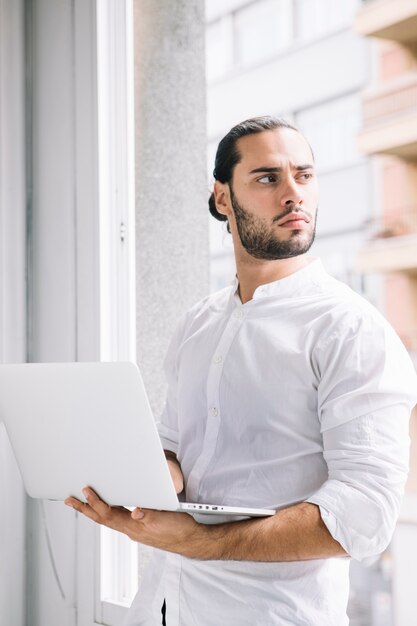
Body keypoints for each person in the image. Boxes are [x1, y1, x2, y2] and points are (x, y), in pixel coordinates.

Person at [65, 116, 417, 625]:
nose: (294, 194)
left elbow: (364, 515)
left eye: (305, 175)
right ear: (223, 198)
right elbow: (176, 453)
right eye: (268, 178)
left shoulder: (352, 330)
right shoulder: (198, 323)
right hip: (162, 607)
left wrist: (203, 542)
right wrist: (127, 483)